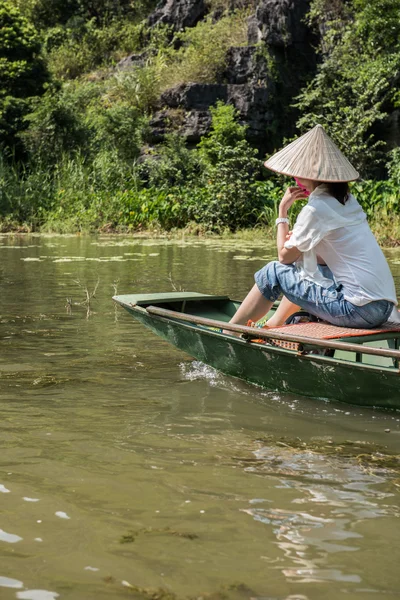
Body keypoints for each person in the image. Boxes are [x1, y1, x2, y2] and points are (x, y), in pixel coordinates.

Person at [228, 124, 397, 331]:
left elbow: (283, 257)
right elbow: (325, 260)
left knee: (273, 271)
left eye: (299, 176)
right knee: (308, 271)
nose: (296, 181)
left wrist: (282, 212)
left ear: (314, 176)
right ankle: (273, 325)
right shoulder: (348, 202)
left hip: (357, 311)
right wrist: (301, 247)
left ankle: (230, 330)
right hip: (383, 308)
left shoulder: (316, 209)